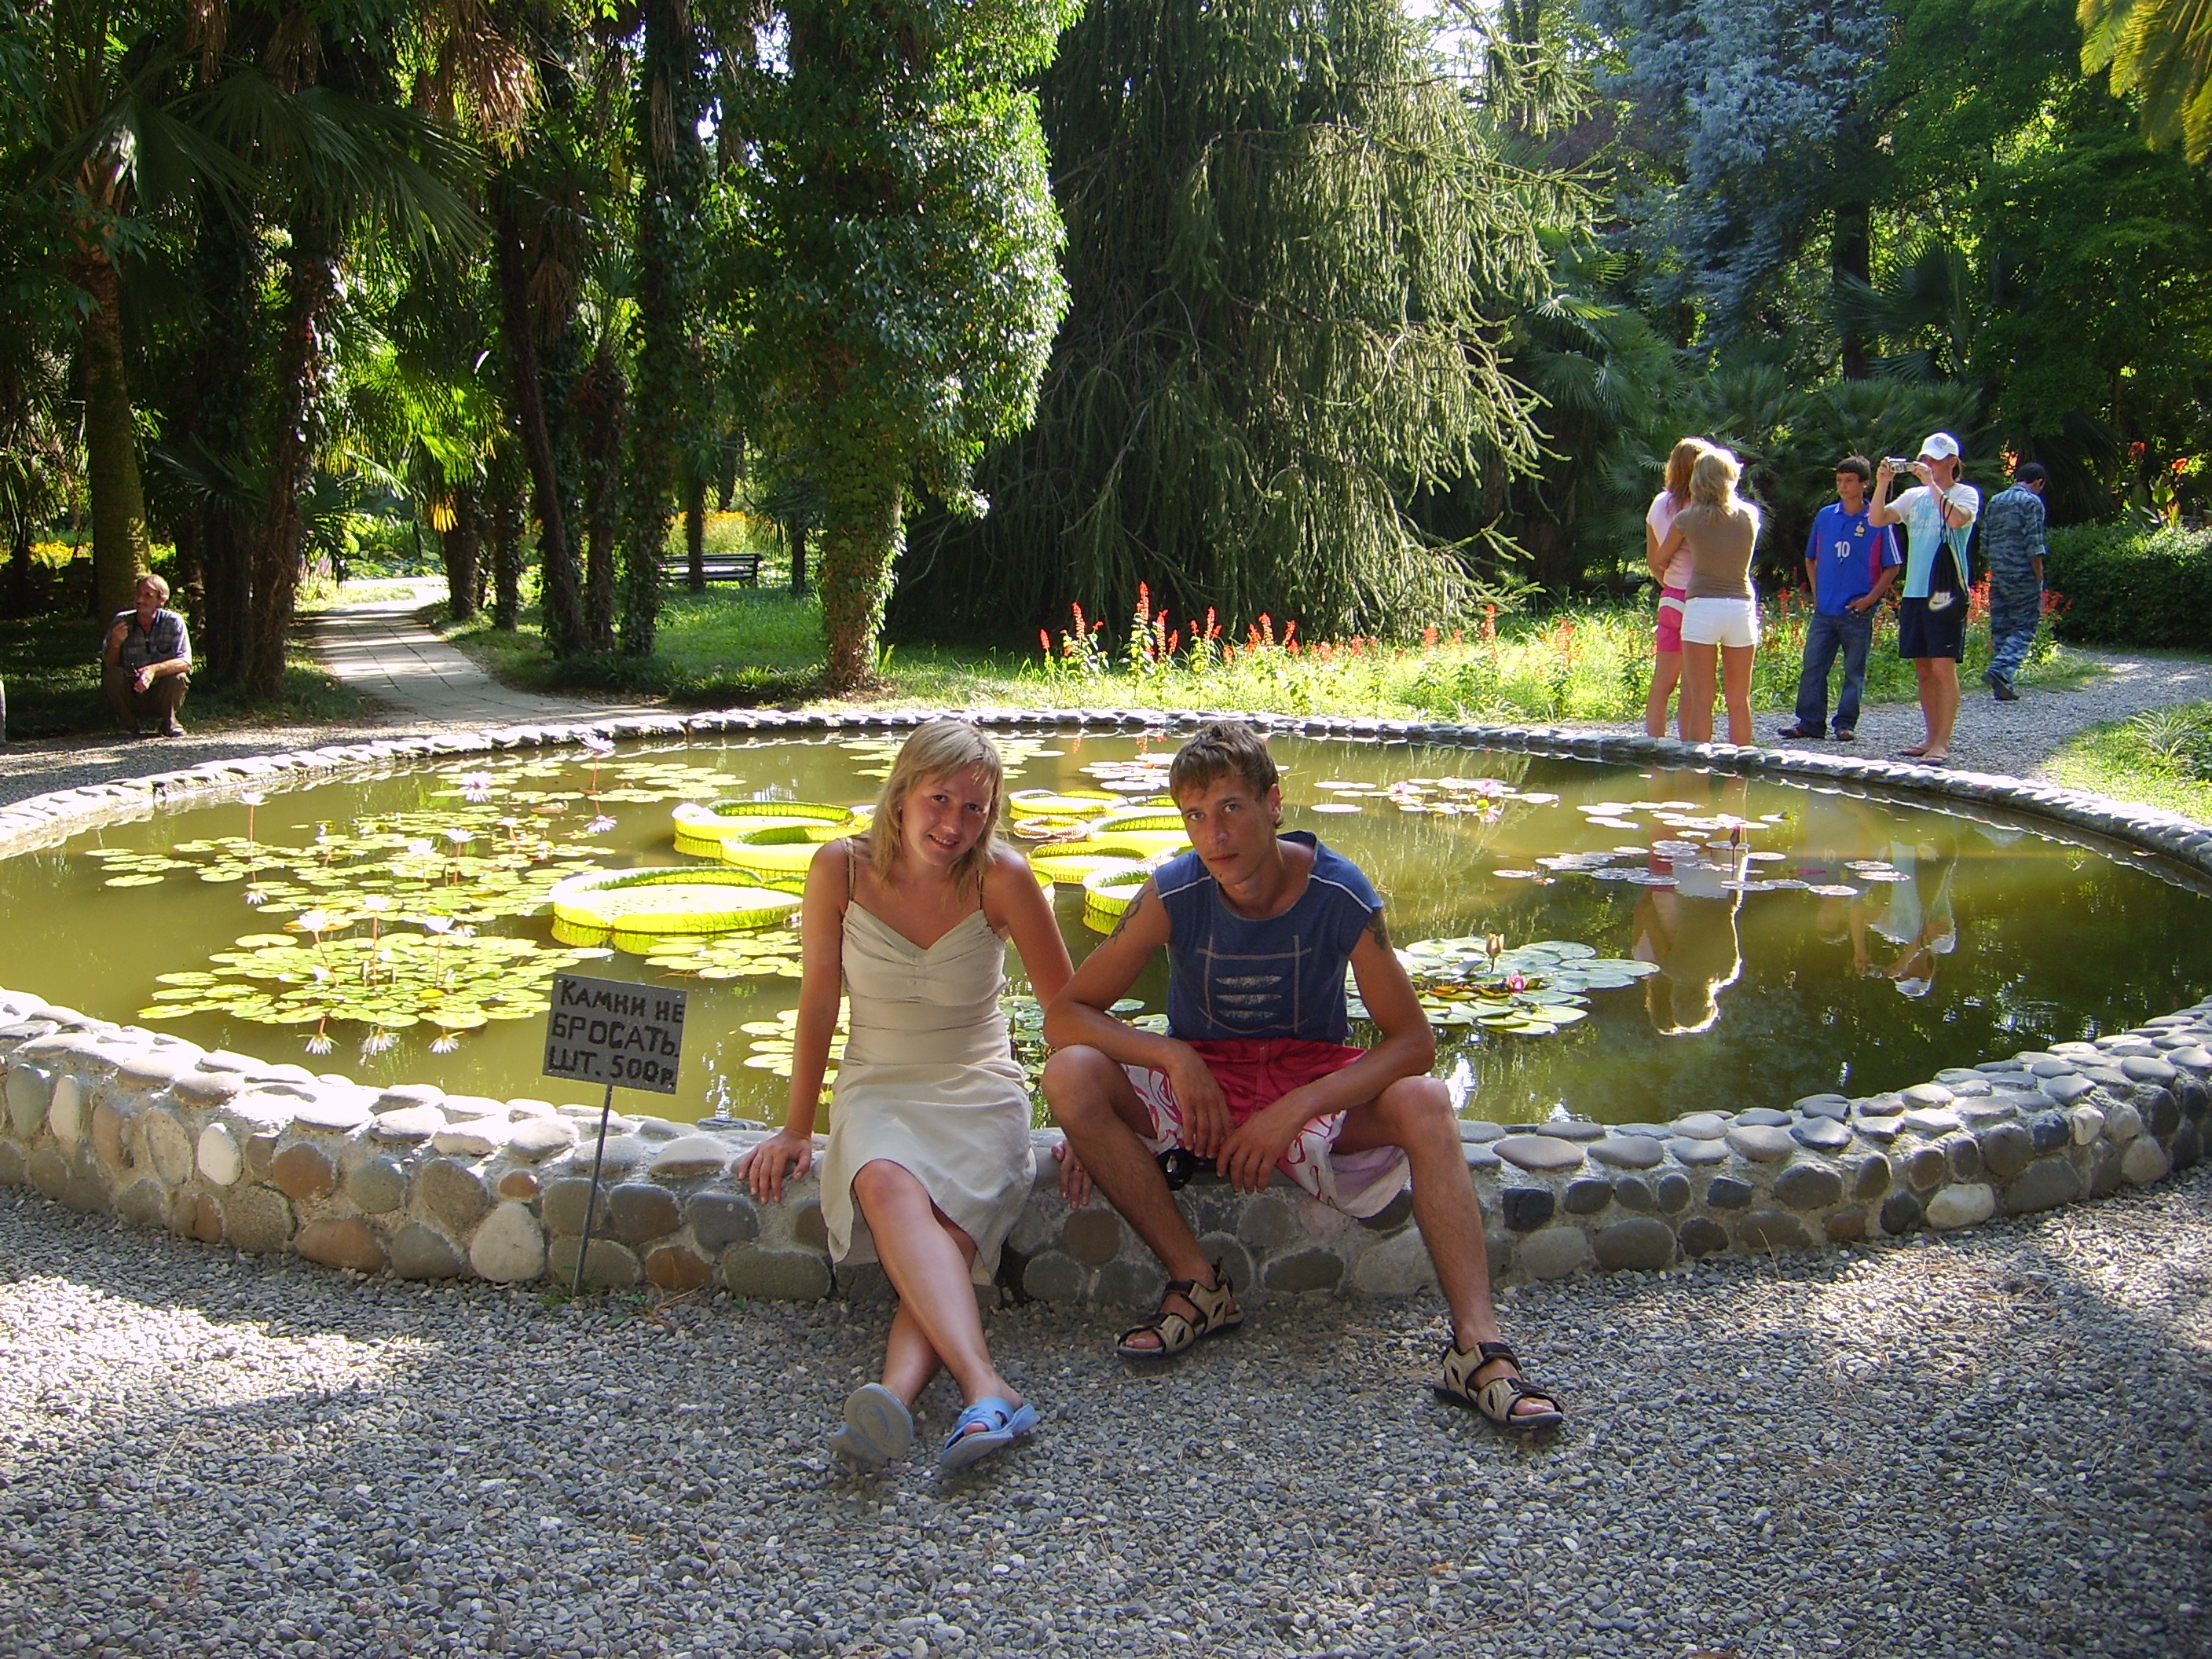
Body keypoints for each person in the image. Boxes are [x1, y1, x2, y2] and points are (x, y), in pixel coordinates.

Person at [1041, 722, 1563, 1434]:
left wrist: (1293, 1109)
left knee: (1424, 1100)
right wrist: (1172, 1057)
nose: (1214, 834)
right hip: (1206, 1090)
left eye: (1231, 807)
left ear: (1273, 802)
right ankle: (1198, 1284)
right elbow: (1066, 1016)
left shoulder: (1338, 892)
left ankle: (1477, 1350)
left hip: (1308, 1081)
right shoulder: (1174, 890)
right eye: (1195, 815)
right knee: (1072, 1074)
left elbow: (1413, 1044)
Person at [739, 720, 1075, 1471]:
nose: (955, 823)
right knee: (888, 1184)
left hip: (978, 1086)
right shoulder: (839, 868)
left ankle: (894, 1397)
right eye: (940, 799)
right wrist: (795, 1127)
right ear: (900, 795)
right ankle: (985, 1387)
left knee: (947, 1236)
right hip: (879, 1084)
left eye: (975, 808)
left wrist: (1080, 1123)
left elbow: (1066, 1014)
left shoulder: (1004, 878)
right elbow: (818, 1002)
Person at [1869, 433, 1979, 763]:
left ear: (1952, 462)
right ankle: (1930, 737)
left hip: (1946, 591)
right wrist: (1882, 483)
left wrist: (1932, 485)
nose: (1927, 464)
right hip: (1915, 590)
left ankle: (1942, 742)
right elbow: (1877, 519)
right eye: (1925, 459)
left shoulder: (1965, 494)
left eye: (1934, 460)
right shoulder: (1912, 496)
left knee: (1943, 666)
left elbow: (1957, 520)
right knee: (1923, 668)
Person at [1775, 456, 1902, 744]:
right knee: (1813, 665)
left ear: (1864, 484)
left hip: (1857, 609)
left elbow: (1893, 565)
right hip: (1826, 608)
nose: (1843, 486)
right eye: (1839, 480)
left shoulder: (1877, 518)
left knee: (1853, 670)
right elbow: (1811, 557)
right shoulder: (1826, 516)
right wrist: (1818, 593)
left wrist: (1870, 599)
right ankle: (1810, 722)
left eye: (1849, 481)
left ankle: (1845, 723)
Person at [1654, 447, 1760, 745]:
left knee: (1702, 700)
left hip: (1701, 606)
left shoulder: (1687, 519)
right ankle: (1742, 767)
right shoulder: (1750, 515)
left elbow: (1660, 559)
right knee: (1739, 700)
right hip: (1740, 606)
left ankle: (1697, 768)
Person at [1644, 438, 1712, 738]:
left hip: (1670, 597)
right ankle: (1688, 746)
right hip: (1699, 598)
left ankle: (1653, 744)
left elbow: (1653, 560)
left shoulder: (1659, 503)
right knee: (1692, 685)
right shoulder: (1704, 507)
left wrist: (1670, 584)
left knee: (1662, 682)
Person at [1979, 461, 2048, 701]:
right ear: (2038, 482)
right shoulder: (2032, 502)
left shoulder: (1996, 501)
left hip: (1999, 572)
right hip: (2022, 573)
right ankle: (2001, 670)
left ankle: (2002, 685)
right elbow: (2034, 543)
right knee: (2024, 626)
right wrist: (2038, 575)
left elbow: (1985, 541)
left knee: (2001, 627)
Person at [102, 573, 192, 738]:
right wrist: (115, 644)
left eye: (147, 595)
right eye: (138, 594)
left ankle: (169, 722)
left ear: (161, 600)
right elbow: (109, 664)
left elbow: (185, 662)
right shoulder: (122, 621)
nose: (140, 600)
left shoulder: (173, 622)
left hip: (161, 693)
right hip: (132, 693)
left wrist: (152, 671)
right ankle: (127, 724)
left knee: (178, 677)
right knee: (112, 675)